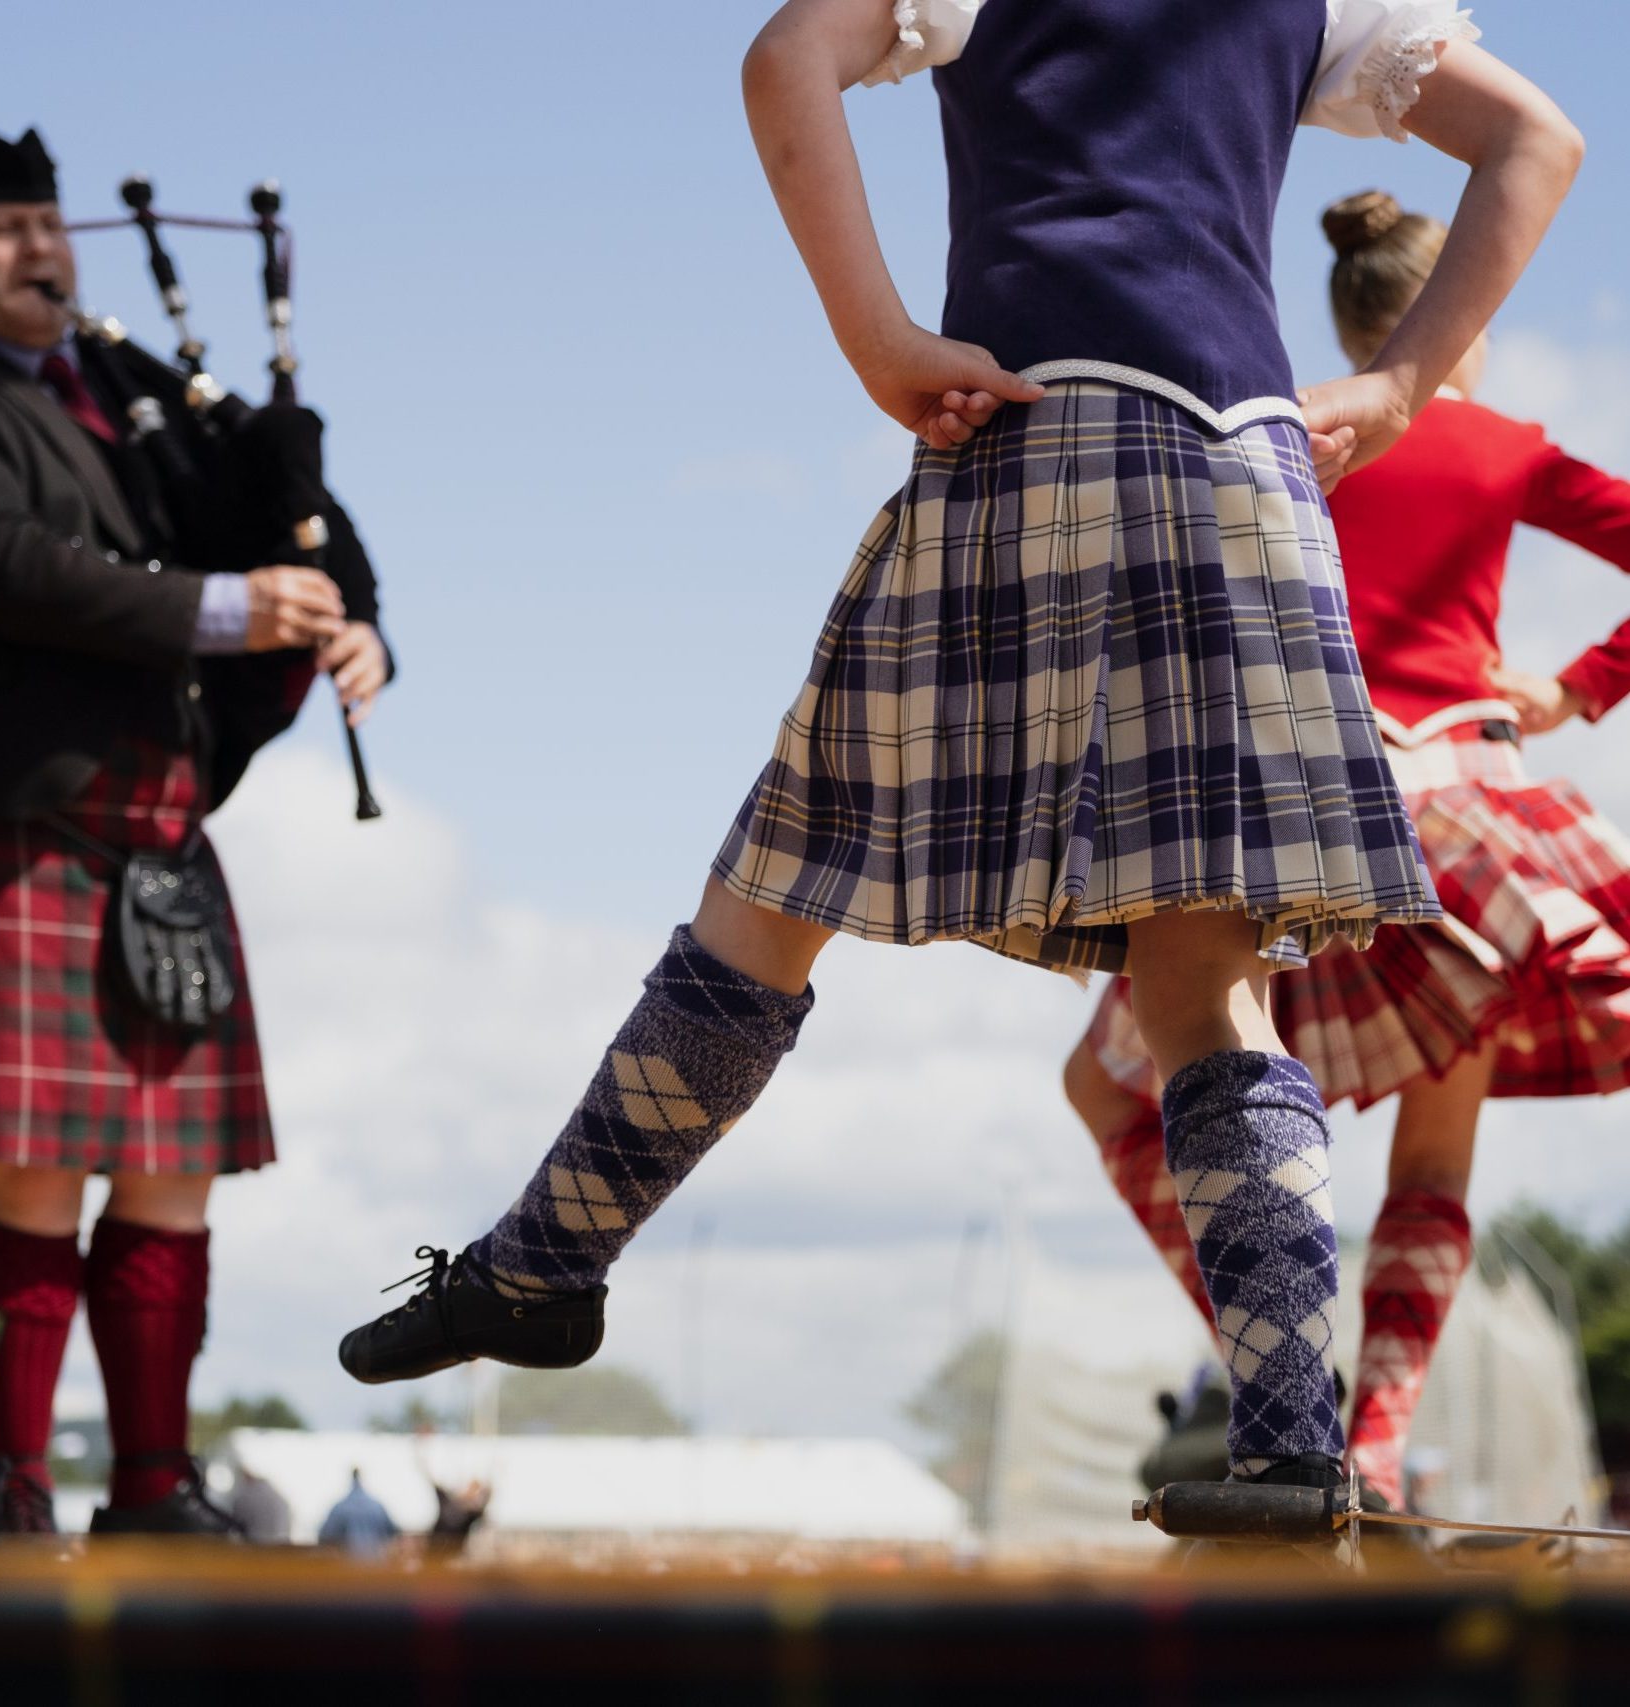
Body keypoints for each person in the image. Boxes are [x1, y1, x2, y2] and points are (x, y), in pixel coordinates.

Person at [339, 0, 1581, 1519]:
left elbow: (783, 54)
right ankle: (1289, 1447)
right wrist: (1395, 388)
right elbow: (1539, 135)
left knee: (775, 887)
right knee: (1206, 982)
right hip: (1236, 464)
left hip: (1036, 425)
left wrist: (876, 339)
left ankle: (545, 1259)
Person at [1065, 187, 1630, 1511]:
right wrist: (1574, 688)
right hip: (1465, 824)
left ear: (1338, 316)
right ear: (1463, 317)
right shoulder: (1501, 446)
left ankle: (1280, 1380)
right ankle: (1367, 1441)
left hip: (1297, 823)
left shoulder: (1289, 431)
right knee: (1431, 1160)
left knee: (1116, 1095)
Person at [0, 117, 393, 1539]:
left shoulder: (128, 389)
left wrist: (347, 616)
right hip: (21, 819)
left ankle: (149, 1487)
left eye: (48, 226)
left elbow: (274, 502)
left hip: (161, 830)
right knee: (38, 1162)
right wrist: (222, 608)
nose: (39, 250)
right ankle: (14, 1486)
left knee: (173, 1171)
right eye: (3, 231)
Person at [317, 1468, 398, 1561]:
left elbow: (325, 1535)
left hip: (347, 1565)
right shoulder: (377, 1506)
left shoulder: (340, 1507)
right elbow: (393, 1531)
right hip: (376, 1564)